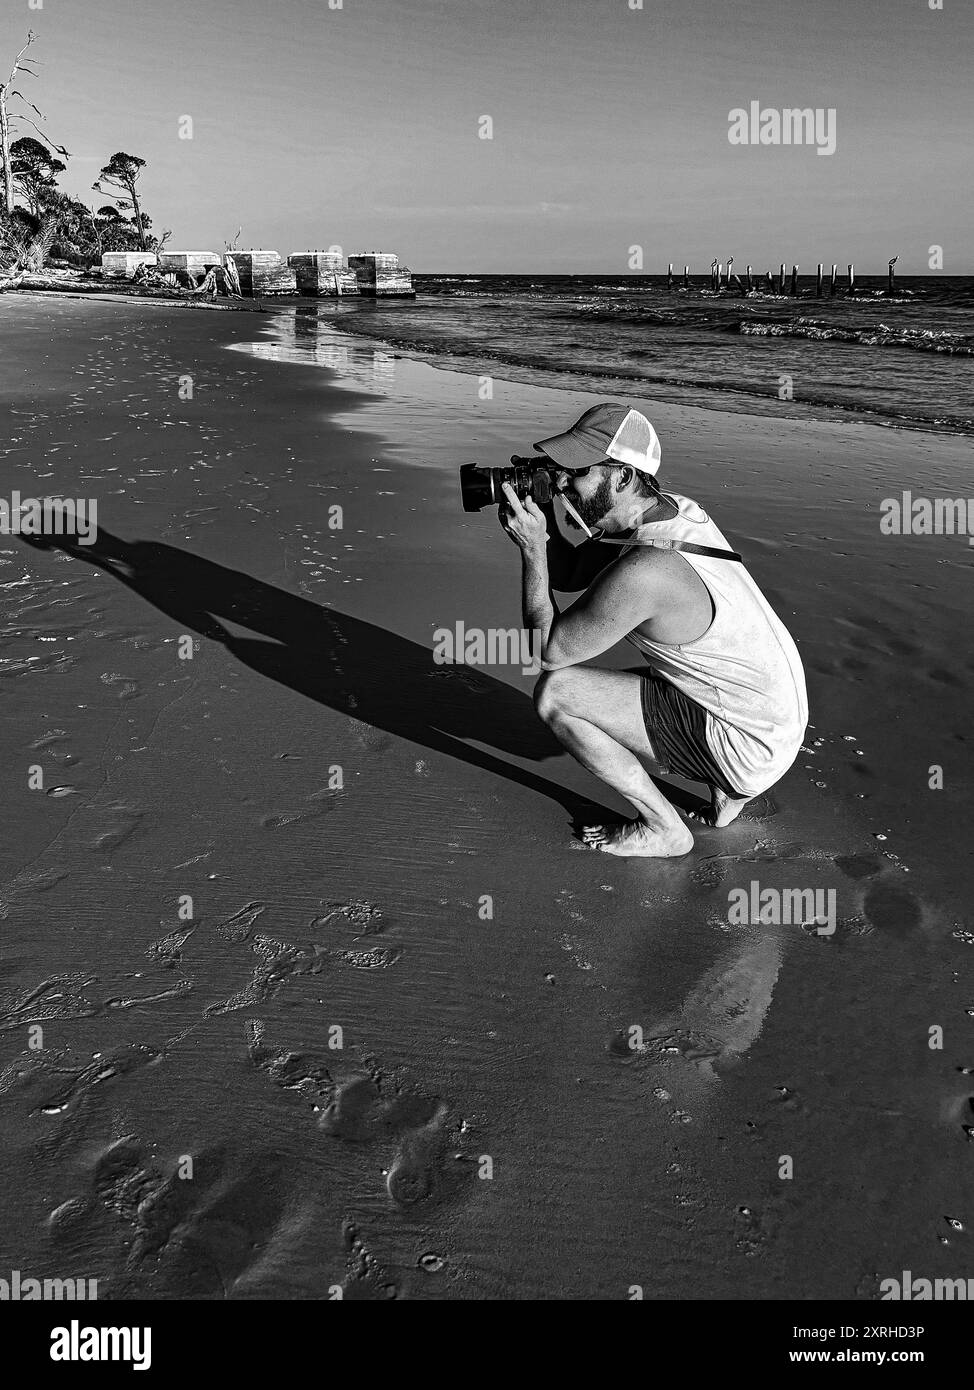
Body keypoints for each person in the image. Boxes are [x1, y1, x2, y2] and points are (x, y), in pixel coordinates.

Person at [498, 402, 808, 857]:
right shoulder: (675, 514)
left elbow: (547, 652)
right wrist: (544, 515)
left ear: (623, 477)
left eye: (576, 471)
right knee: (678, 672)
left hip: (748, 745)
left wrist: (532, 549)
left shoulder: (647, 570)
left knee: (557, 693)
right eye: (560, 470)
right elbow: (570, 574)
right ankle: (729, 796)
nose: (564, 482)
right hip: (773, 722)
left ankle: (665, 829)